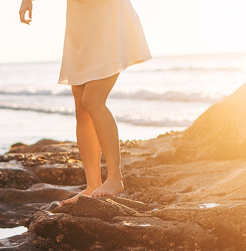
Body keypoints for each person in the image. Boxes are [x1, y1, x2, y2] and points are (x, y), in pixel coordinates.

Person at [19, 0, 150, 201]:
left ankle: (115, 178)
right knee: (81, 110)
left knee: (93, 101)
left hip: (105, 18)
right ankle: (93, 184)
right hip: (81, 23)